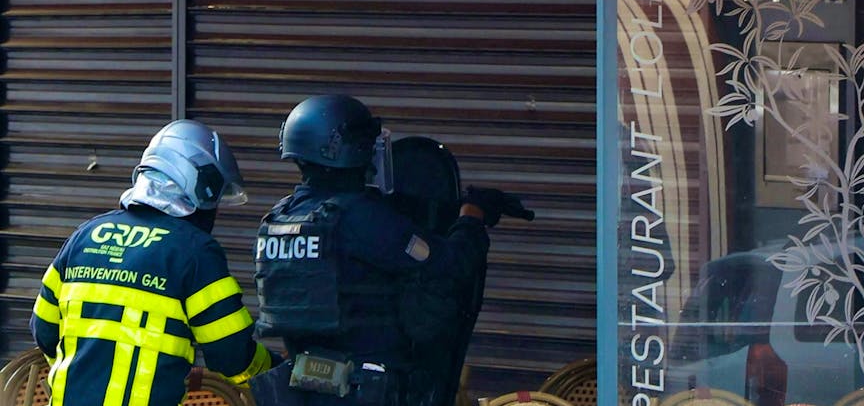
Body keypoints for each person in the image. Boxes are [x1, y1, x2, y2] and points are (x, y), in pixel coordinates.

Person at [250, 94, 530, 406]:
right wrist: (472, 216)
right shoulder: (360, 217)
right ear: (351, 149)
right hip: (366, 389)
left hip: (306, 386)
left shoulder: (278, 219)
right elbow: (450, 265)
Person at [30, 120, 277, 406]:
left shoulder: (85, 235)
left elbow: (44, 331)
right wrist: (275, 370)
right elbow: (231, 354)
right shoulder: (195, 252)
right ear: (200, 186)